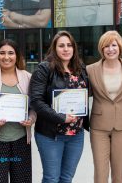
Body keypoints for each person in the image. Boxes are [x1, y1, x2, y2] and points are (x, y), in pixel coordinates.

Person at [29, 31, 89, 183]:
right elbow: (36, 101)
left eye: (69, 45)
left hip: (76, 134)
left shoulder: (80, 69)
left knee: (67, 178)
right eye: (61, 45)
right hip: (51, 134)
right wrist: (61, 117)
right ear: (54, 48)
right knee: (51, 178)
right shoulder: (44, 69)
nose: (66, 49)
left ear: (74, 48)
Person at [0, 39, 36, 183]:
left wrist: (31, 118)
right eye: (2, 53)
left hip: (22, 140)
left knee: (22, 180)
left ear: (17, 56)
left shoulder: (27, 77)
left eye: (10, 53)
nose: (6, 57)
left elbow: (34, 106)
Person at [86, 30, 122, 183]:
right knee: (100, 173)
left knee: (119, 173)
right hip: (99, 126)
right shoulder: (90, 69)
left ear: (120, 47)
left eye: (113, 45)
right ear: (101, 49)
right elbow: (82, 94)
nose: (110, 49)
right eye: (106, 46)